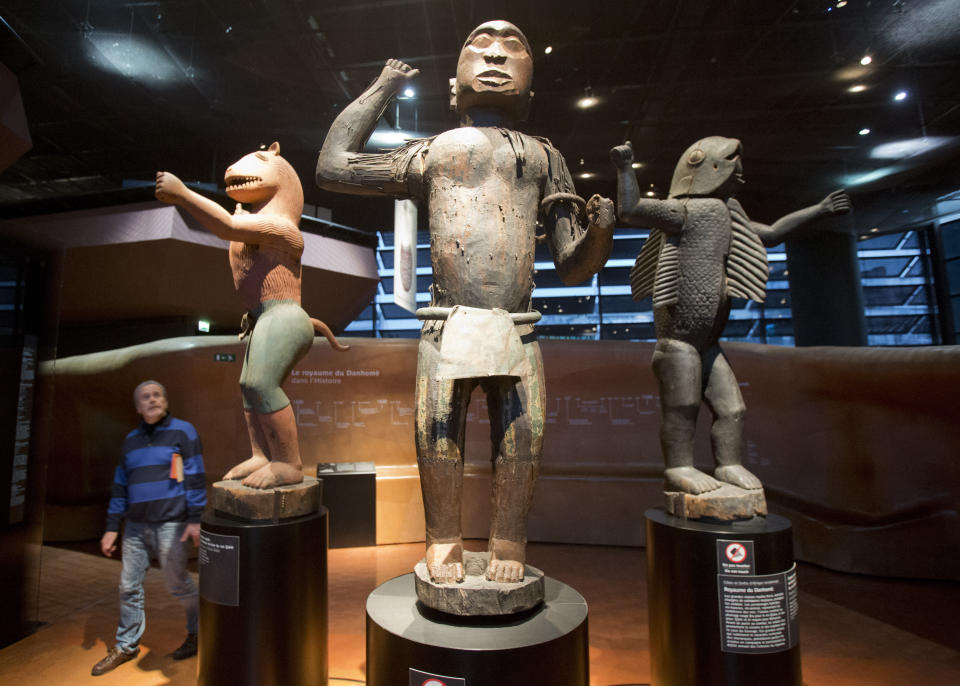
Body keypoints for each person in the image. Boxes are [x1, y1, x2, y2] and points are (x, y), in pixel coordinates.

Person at [316, 21, 614, 584]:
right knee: (436, 432)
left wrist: (599, 234)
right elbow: (334, 167)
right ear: (453, 85)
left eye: (515, 47)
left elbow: (572, 263)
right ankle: (443, 540)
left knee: (522, 437)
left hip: (516, 327)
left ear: (530, 86)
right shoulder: (433, 153)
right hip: (445, 325)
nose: (497, 53)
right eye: (480, 44)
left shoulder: (544, 156)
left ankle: (508, 539)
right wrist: (383, 86)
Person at [610, 138, 850, 498]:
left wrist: (819, 209)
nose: (737, 173)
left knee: (733, 408)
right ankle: (679, 467)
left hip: (708, 343)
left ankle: (729, 463)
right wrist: (625, 169)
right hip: (679, 342)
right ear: (708, 169)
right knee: (683, 406)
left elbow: (769, 233)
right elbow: (630, 209)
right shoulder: (683, 212)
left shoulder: (727, 212)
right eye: (729, 166)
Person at [155, 142, 348, 490]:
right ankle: (262, 454)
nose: (235, 169)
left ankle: (289, 462)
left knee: (260, 384)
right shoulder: (259, 223)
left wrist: (183, 194)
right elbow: (236, 233)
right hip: (262, 317)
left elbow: (227, 227)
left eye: (259, 161)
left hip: (284, 316)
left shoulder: (282, 227)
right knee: (249, 388)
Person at [91, 380, 206, 676]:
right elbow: (120, 486)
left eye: (158, 395)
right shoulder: (130, 441)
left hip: (171, 523)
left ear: (165, 401)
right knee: (128, 586)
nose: (152, 400)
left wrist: (195, 519)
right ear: (138, 406)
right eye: (146, 397)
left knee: (177, 584)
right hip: (135, 527)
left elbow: (194, 476)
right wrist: (112, 527)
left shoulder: (184, 431)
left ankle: (199, 632)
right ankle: (126, 645)